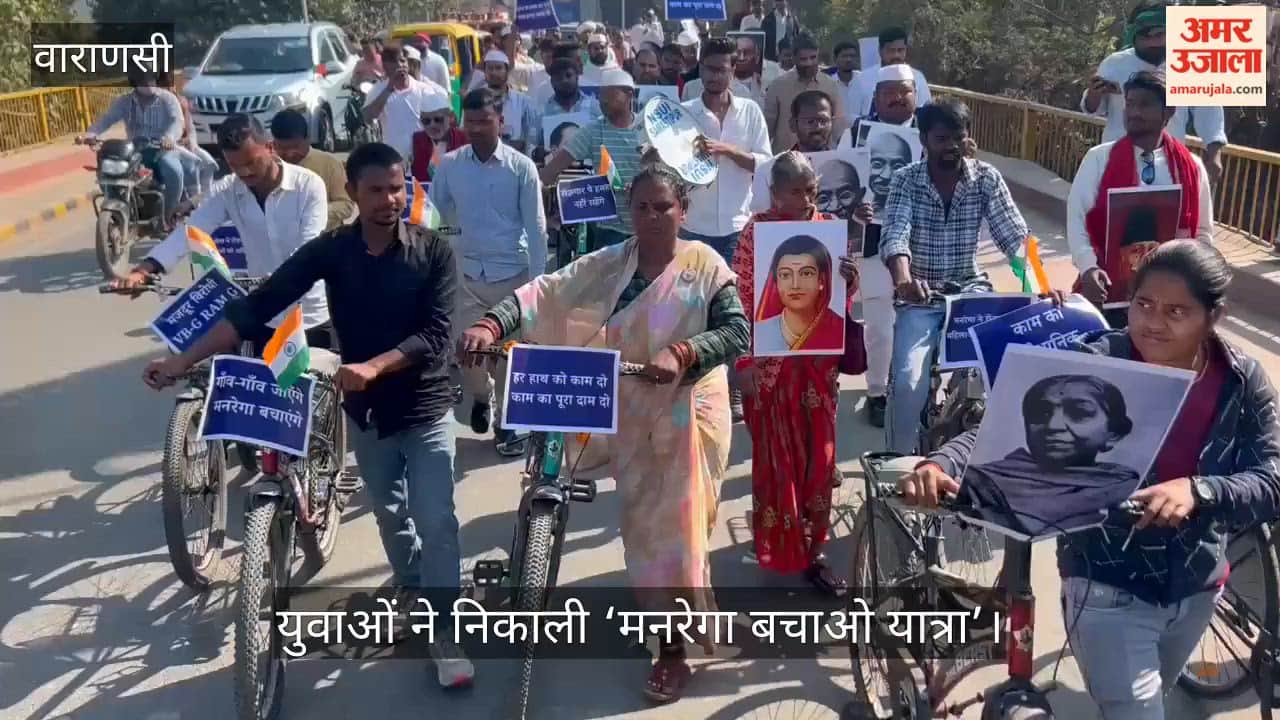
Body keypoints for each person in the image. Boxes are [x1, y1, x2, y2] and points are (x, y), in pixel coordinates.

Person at [142, 141, 476, 688]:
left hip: (425, 406)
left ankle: (443, 628)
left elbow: (438, 335)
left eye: (397, 188)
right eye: (376, 190)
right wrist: (181, 361)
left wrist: (374, 365)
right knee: (391, 514)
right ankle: (414, 585)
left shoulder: (432, 251)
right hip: (366, 415)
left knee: (436, 517)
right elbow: (256, 308)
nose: (389, 200)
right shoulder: (332, 251)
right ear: (353, 193)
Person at [902, 240, 1280, 720]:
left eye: (1176, 311)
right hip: (1105, 585)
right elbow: (1003, 425)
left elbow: (1270, 481)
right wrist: (941, 463)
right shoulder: (1097, 360)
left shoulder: (1239, 381)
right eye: (1143, 304)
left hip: (1199, 586)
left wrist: (1198, 490)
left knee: (1148, 702)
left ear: (1214, 316)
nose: (1153, 322)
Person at [458, 165, 750, 704]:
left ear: (682, 210)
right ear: (629, 212)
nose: (653, 216)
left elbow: (736, 331)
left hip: (689, 409)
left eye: (664, 206)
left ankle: (673, 650)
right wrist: (490, 325)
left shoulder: (705, 265)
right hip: (629, 397)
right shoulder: (613, 262)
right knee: (640, 526)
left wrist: (684, 351)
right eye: (642, 207)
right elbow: (544, 292)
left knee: (675, 532)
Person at [734, 152, 858, 592]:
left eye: (811, 190)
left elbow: (837, 300)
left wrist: (849, 278)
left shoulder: (828, 227)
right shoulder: (756, 234)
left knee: (820, 461)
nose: (805, 199)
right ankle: (784, 546)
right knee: (778, 461)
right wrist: (745, 362)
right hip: (771, 369)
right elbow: (744, 301)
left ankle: (816, 547)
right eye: (795, 191)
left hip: (817, 368)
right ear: (774, 193)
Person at [880, 101, 1033, 454]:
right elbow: (895, 236)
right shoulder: (906, 180)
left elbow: (1015, 237)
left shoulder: (986, 178)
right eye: (941, 138)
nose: (951, 147)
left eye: (958, 138)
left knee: (995, 376)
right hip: (920, 297)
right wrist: (905, 280)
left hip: (970, 294)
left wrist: (1036, 283)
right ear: (924, 140)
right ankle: (896, 465)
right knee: (907, 383)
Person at [111, 114, 333, 345]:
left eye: (251, 162)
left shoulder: (309, 185)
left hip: (309, 315)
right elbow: (191, 230)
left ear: (270, 147)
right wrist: (145, 270)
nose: (245, 173)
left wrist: (277, 280)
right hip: (263, 317)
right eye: (235, 166)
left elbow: (309, 249)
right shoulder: (229, 189)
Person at [430, 88, 546, 454]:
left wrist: (538, 287)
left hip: (512, 275)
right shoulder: (449, 165)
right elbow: (434, 219)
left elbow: (537, 228)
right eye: (471, 122)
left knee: (508, 357)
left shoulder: (521, 167)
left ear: (501, 122)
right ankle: (481, 398)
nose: (477, 129)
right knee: (469, 355)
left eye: (485, 121)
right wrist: (447, 251)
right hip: (465, 275)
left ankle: (506, 425)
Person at [1068, 71, 1213, 315]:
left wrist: (1192, 280)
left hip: (1170, 297)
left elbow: (1202, 233)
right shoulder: (1098, 159)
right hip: (1107, 291)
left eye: (1145, 105)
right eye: (1130, 104)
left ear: (1169, 112)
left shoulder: (1191, 167)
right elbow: (1077, 219)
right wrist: (1089, 268)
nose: (1134, 112)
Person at [958, 375, 1142, 537]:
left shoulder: (1127, 486)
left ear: (1113, 435)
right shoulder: (985, 481)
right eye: (1041, 413)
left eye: (1080, 413)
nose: (1053, 425)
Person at [1081, 0, 1226, 187]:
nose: (1156, 41)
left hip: (1167, 164)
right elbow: (1093, 109)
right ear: (1134, 35)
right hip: (1119, 162)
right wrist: (1094, 94)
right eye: (1147, 35)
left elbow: (1209, 111)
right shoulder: (1114, 64)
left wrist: (1214, 155)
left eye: (1161, 34)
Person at [541, 68, 645, 249]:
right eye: (600, 96)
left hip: (646, 227)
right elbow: (552, 170)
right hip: (608, 231)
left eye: (609, 96)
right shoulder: (593, 131)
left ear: (629, 95)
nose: (602, 101)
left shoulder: (647, 129)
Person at [76, 67, 186, 219]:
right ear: (134, 82)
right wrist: (90, 134)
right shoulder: (124, 102)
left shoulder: (168, 99)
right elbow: (107, 119)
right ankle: (120, 209)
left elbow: (177, 121)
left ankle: (169, 214)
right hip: (134, 150)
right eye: (143, 80)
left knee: (173, 169)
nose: (148, 84)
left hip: (162, 149)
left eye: (151, 79)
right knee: (106, 169)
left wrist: (169, 138)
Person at [750, 90, 838, 212]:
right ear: (793, 124)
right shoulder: (769, 169)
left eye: (823, 121)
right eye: (810, 121)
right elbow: (761, 220)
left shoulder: (846, 166)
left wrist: (859, 219)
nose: (818, 127)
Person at [270, 109, 356, 231]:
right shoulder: (270, 166)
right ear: (273, 144)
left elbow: (345, 205)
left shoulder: (329, 163)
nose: (289, 154)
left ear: (308, 139)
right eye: (282, 148)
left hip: (324, 240)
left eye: (295, 146)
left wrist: (312, 212)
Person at [763, 32, 846, 153]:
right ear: (794, 58)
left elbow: (838, 125)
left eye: (813, 57)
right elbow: (767, 129)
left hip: (821, 158)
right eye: (803, 59)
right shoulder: (777, 86)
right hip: (786, 160)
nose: (809, 63)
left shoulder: (830, 85)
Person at [364, 46, 450, 159]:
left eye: (402, 60)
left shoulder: (424, 89)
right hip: (395, 158)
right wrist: (389, 89)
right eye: (393, 62)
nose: (400, 65)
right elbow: (368, 117)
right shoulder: (377, 90)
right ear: (385, 66)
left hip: (424, 157)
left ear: (408, 64)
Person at [849, 27, 932, 118]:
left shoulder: (918, 78)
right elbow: (852, 115)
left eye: (900, 50)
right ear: (880, 51)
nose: (896, 55)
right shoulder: (862, 79)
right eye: (891, 50)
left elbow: (926, 114)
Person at [409, 93, 469, 182]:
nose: (432, 125)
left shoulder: (464, 139)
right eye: (426, 121)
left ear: (451, 117)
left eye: (438, 120)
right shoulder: (416, 140)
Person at [829, 40, 861, 112]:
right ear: (835, 59)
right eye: (844, 56)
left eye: (852, 56)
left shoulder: (864, 79)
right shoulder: (828, 84)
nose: (849, 59)